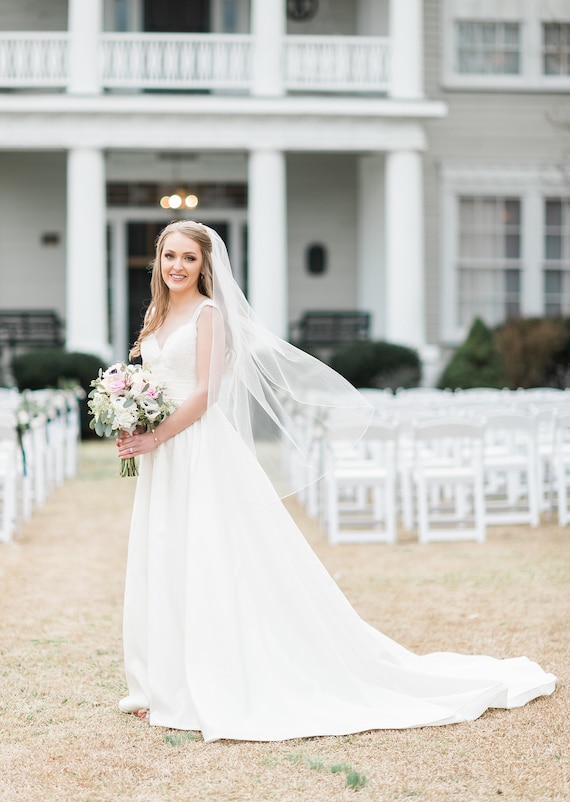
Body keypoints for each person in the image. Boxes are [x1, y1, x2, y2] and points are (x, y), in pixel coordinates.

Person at [116, 220, 556, 742]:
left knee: (209, 557)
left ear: (205, 266)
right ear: (158, 263)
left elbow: (208, 393)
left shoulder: (210, 314)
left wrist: (156, 434)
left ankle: (206, 681)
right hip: (162, 454)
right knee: (165, 555)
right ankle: (162, 682)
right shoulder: (157, 314)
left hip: (196, 449)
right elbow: (152, 380)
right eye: (170, 257)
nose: (177, 267)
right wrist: (132, 417)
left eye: (189, 258)